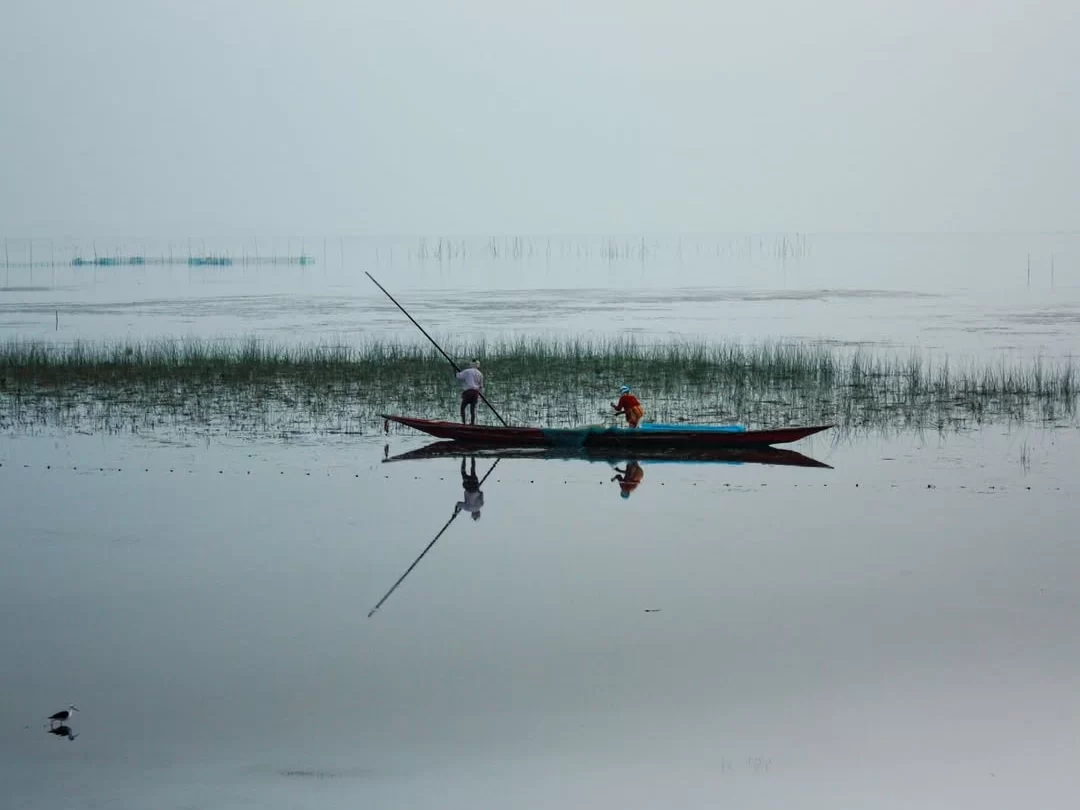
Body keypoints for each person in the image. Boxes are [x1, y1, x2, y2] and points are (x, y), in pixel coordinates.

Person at [455, 359, 484, 425]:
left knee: (462, 408)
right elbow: (481, 387)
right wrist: (481, 397)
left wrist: (454, 369)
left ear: (471, 364)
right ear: (478, 365)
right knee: (472, 410)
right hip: (476, 393)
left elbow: (457, 376)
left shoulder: (467, 371)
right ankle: (472, 423)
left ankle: (464, 423)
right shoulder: (480, 374)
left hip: (468, 392)